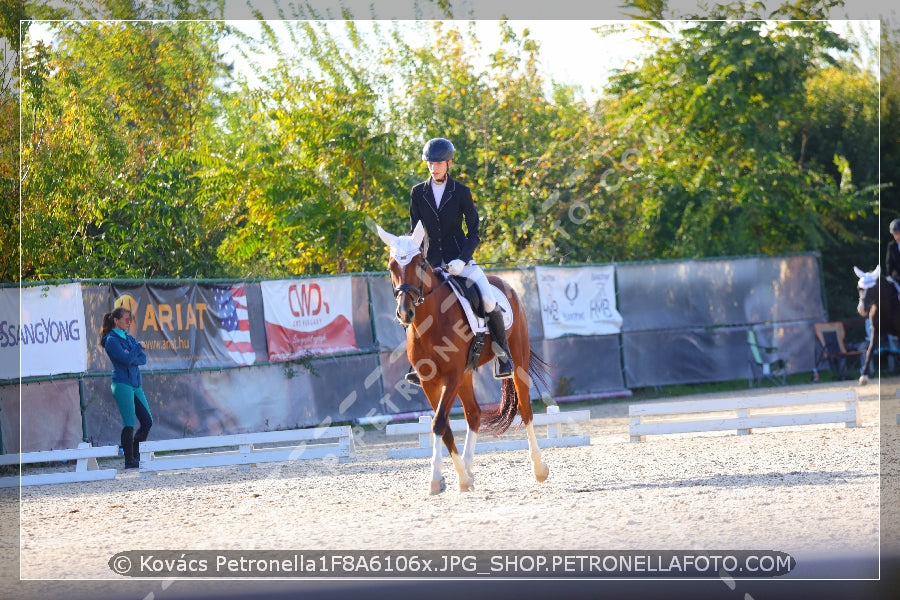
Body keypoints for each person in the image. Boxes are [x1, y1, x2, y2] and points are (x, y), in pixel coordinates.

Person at [404, 137, 513, 386]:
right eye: (431, 163)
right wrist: (417, 259)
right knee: (409, 303)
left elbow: (474, 231)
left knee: (487, 298)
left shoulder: (461, 192)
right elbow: (416, 232)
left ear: (449, 163)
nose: (434, 167)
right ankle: (414, 362)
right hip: (430, 264)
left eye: (439, 163)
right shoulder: (418, 193)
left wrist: (462, 260)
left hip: (460, 262)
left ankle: (502, 354)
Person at [99, 307, 153, 468]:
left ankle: (135, 456)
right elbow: (126, 358)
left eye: (130, 319)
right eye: (126, 319)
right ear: (116, 321)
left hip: (136, 384)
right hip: (122, 384)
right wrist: (136, 348)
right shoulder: (111, 340)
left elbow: (142, 359)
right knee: (129, 422)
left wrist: (132, 353)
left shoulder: (128, 338)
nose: (129, 322)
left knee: (147, 421)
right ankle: (129, 460)